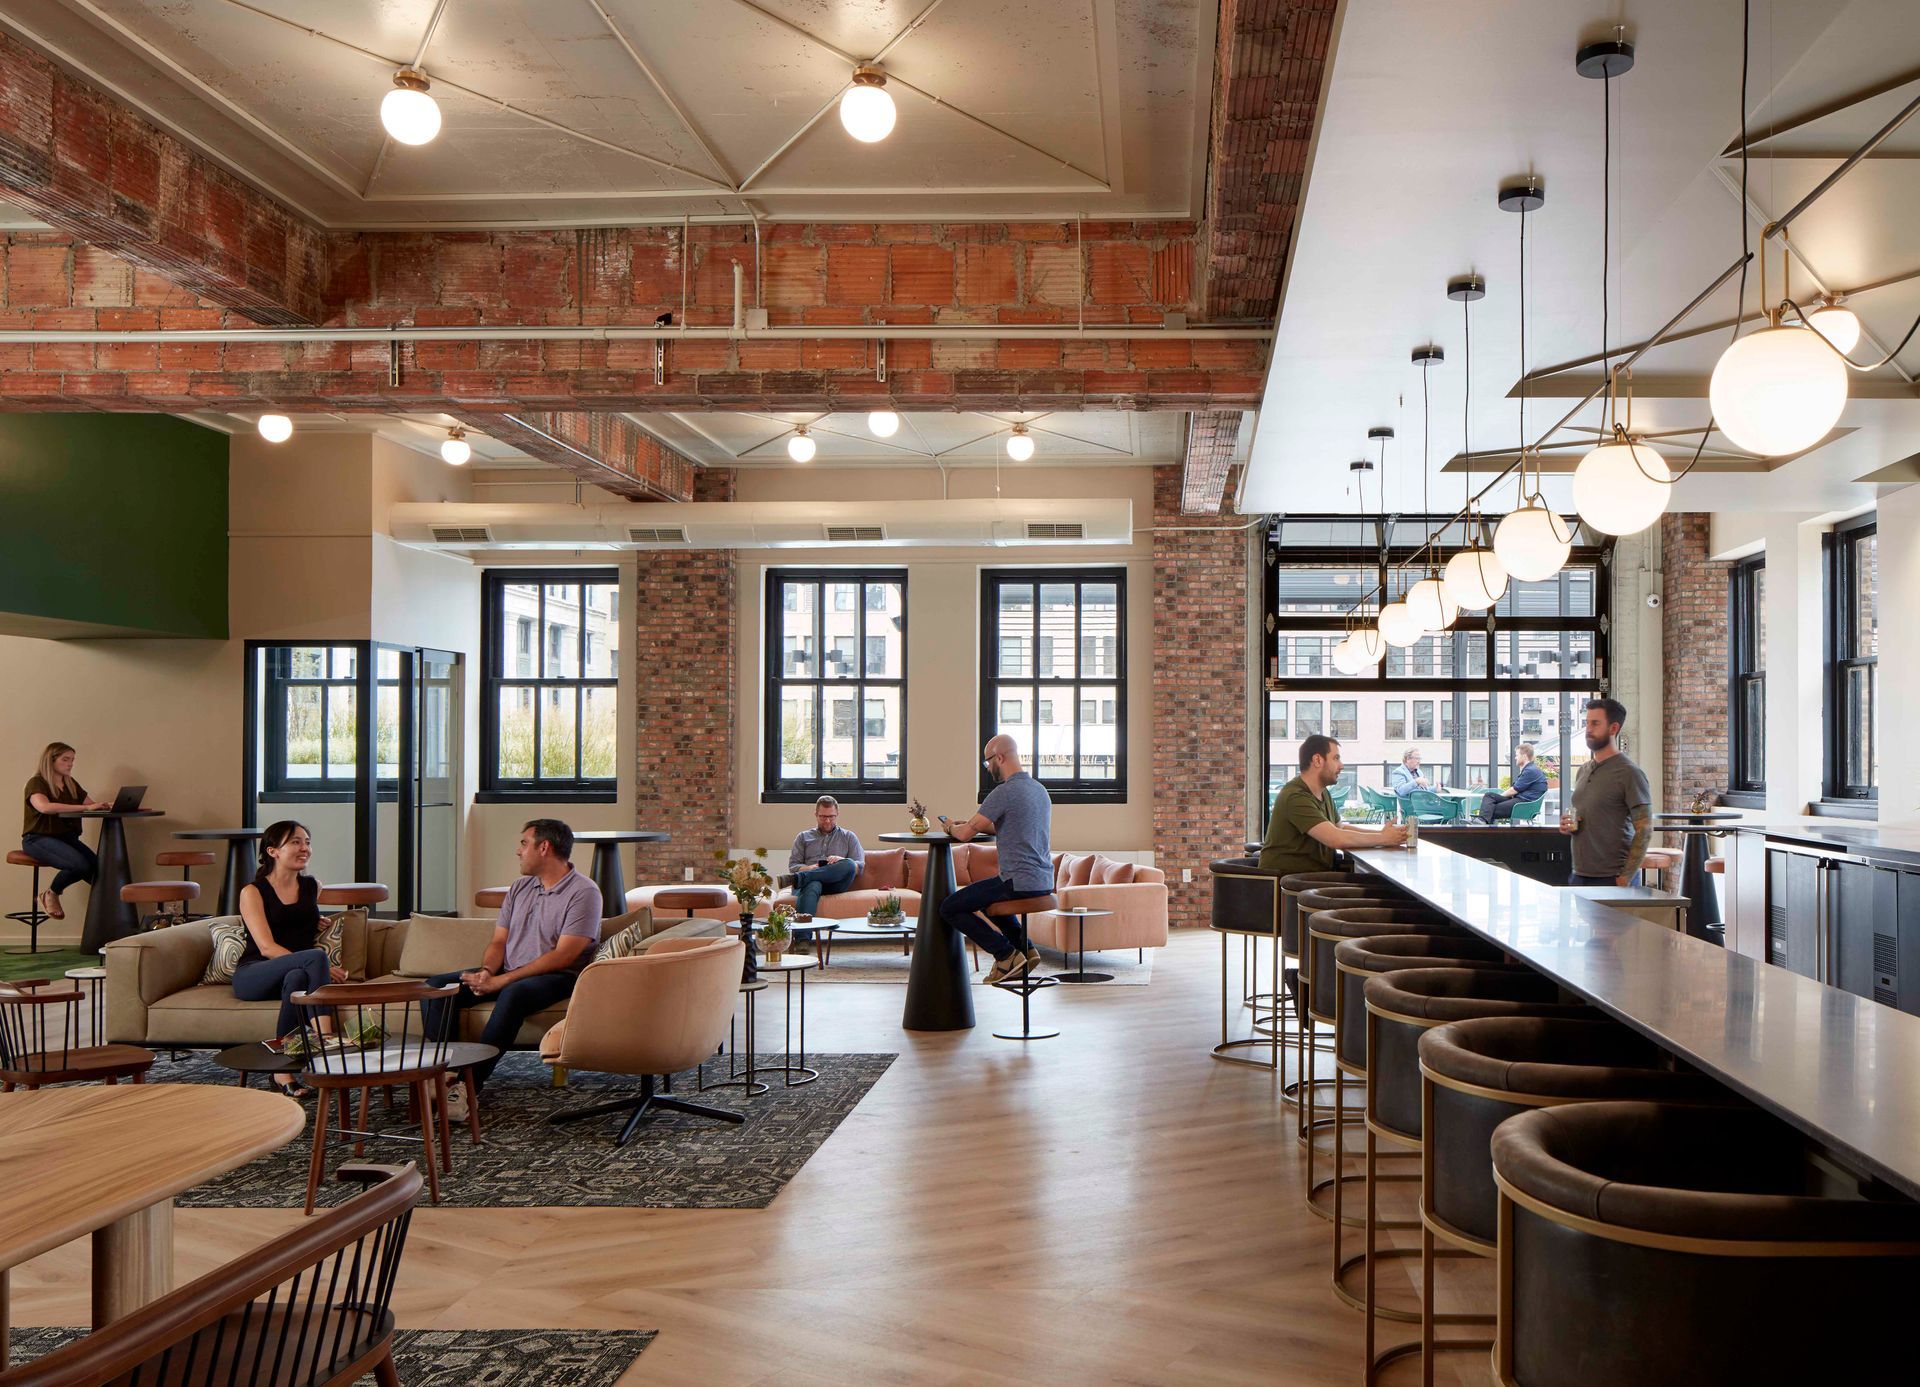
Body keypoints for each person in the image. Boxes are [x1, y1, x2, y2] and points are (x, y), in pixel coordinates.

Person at [423, 819, 602, 1115]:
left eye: (524, 843)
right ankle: (445, 1075)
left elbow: (563, 956)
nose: (518, 851)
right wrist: (487, 972)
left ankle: (468, 1087)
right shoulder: (520, 887)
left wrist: (502, 981)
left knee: (514, 993)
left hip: (558, 977)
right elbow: (499, 942)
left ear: (544, 847)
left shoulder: (584, 892)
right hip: (509, 970)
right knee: (437, 986)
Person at [231, 820, 347, 1097]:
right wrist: (319, 965)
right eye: (295, 842)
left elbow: (296, 919)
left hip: (292, 974)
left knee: (296, 979)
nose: (304, 848)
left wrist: (314, 921)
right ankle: (326, 1042)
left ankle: (281, 1072)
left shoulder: (312, 886)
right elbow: (267, 947)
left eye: (307, 842)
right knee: (314, 958)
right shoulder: (252, 892)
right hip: (255, 973)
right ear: (273, 851)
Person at [938, 734, 1052, 985]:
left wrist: (950, 826)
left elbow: (964, 835)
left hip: (1017, 881)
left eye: (988, 762)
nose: (988, 768)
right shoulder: (1039, 790)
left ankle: (1005, 956)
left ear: (999, 757)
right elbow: (1012, 826)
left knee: (950, 907)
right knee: (987, 899)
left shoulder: (1004, 792)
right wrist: (971, 825)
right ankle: (1025, 949)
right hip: (1043, 881)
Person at [1260, 734, 1407, 874]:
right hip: (1291, 882)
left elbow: (1340, 828)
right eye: (1336, 758)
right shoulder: (1295, 796)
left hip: (1313, 877)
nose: (1341, 766)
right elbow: (1336, 838)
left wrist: (1382, 834)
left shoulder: (1323, 792)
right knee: (1378, 886)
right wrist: (1383, 839)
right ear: (1317, 760)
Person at [1561, 698, 1653, 887]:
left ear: (1613, 728)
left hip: (1613, 877)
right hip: (1580, 874)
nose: (1588, 729)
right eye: (1587, 723)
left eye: (1595, 723)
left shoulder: (1629, 773)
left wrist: (1625, 877)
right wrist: (1568, 825)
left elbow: (1644, 829)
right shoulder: (1583, 770)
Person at [20, 741, 112, 921]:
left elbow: (91, 805)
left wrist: (110, 805)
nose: (70, 764)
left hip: (66, 838)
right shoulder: (37, 782)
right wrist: (86, 808)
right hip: (38, 839)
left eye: (72, 760)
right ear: (51, 760)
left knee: (100, 871)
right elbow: (45, 807)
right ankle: (51, 893)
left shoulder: (70, 783)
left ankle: (107, 919)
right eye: (65, 759)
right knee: (80, 865)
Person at [788, 795, 864, 916]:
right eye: (823, 817)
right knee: (813, 883)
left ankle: (802, 878)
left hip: (835, 884)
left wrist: (841, 861)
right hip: (810, 884)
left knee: (849, 863)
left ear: (837, 814)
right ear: (816, 815)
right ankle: (803, 929)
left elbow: (859, 867)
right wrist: (810, 868)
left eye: (831, 816)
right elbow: (793, 866)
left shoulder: (849, 837)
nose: (827, 821)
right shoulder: (803, 837)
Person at [1478, 742, 1549, 824]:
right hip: (1521, 801)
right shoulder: (1531, 769)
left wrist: (1499, 798)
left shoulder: (1530, 771)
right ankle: (1482, 823)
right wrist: (1497, 799)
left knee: (1488, 810)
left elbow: (1514, 790)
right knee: (1489, 796)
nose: (1515, 758)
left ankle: (1481, 824)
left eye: (1517, 755)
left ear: (1524, 756)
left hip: (1524, 804)